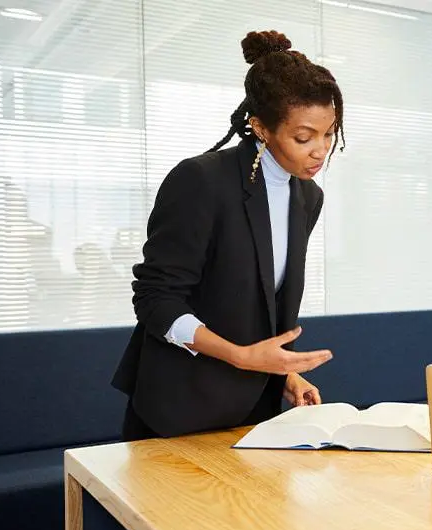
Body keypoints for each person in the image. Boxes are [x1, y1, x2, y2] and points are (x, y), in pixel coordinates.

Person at [112, 30, 344, 440]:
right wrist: (241, 357)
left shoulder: (308, 197)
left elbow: (262, 304)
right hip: (179, 407)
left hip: (254, 408)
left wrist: (284, 374)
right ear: (260, 127)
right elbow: (156, 301)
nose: (320, 150)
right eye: (304, 137)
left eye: (329, 134)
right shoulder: (201, 180)